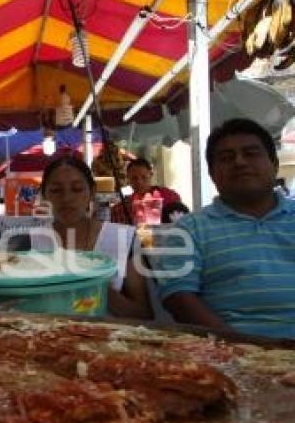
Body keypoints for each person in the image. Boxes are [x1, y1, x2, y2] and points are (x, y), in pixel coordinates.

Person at [157, 118, 295, 337]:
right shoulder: (188, 229)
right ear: (212, 174)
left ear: (275, 164)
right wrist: (239, 347)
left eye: (251, 153)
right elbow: (178, 297)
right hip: (227, 350)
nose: (239, 162)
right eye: (226, 158)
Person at [32, 156, 152, 319]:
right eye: (56, 190)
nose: (67, 198)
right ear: (44, 196)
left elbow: (143, 315)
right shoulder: (31, 243)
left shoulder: (121, 239)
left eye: (77, 189)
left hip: (111, 340)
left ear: (92, 192)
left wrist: (95, 286)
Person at [112, 158, 182, 224]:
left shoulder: (170, 196)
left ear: (151, 175)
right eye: (134, 178)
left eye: (144, 177)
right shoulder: (122, 208)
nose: (139, 182)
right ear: (128, 179)